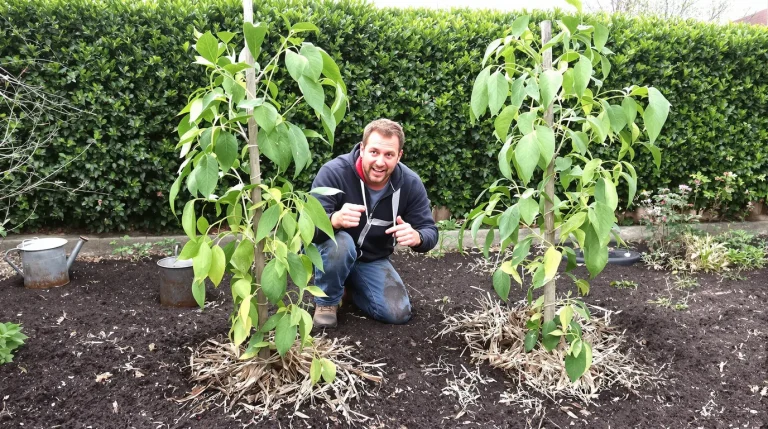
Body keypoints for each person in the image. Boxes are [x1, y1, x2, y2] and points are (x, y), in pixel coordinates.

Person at [310, 118, 438, 328]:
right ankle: (327, 302)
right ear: (362, 149)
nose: (380, 162)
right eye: (374, 152)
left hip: (371, 260)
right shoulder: (334, 173)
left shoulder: (410, 183)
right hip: (332, 250)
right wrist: (333, 220)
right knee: (340, 243)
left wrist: (418, 237)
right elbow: (307, 227)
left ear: (399, 156)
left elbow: (430, 231)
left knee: (398, 313)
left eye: (389, 155)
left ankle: (349, 288)